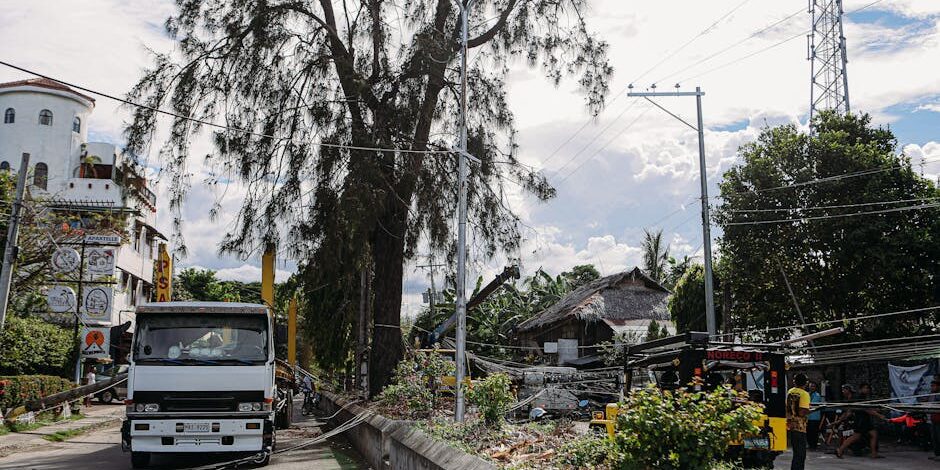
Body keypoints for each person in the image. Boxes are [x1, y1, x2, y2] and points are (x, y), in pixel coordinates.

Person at [834, 384, 885, 459]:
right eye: (865, 388)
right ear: (860, 389)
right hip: (861, 420)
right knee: (856, 436)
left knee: (873, 434)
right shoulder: (859, 397)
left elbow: (864, 409)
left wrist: (876, 411)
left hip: (864, 420)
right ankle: (840, 449)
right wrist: (879, 415)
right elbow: (866, 410)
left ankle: (874, 453)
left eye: (868, 388)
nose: (867, 390)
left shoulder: (861, 397)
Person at [787, 373, 811, 470]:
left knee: (796, 454)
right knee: (801, 455)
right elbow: (802, 412)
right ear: (806, 383)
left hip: (791, 425)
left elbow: (788, 408)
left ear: (794, 382)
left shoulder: (790, 392)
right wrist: (810, 410)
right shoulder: (804, 394)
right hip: (800, 427)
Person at [924, 378, 940, 460]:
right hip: (933, 419)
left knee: (939, 437)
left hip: (939, 419)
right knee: (934, 438)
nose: (932, 387)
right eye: (931, 386)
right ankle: (937, 454)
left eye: (933, 386)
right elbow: (927, 403)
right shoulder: (931, 394)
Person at [806, 380, 824, 450]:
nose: (812, 387)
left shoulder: (817, 395)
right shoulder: (806, 394)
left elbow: (815, 404)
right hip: (807, 417)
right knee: (808, 432)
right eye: (811, 386)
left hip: (815, 417)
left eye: (813, 386)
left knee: (814, 432)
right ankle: (810, 445)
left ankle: (814, 446)